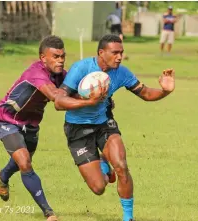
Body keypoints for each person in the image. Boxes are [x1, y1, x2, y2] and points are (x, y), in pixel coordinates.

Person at [54, 34, 175, 221]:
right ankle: (104, 165)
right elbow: (59, 102)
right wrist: (89, 102)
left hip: (104, 124)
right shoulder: (81, 68)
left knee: (121, 166)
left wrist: (165, 91)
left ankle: (128, 217)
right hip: (77, 129)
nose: (119, 57)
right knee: (99, 188)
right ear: (101, 53)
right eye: (115, 53)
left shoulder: (121, 73)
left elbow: (145, 93)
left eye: (121, 53)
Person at [0, 35, 68, 221]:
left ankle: (3, 175)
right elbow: (55, 96)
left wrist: (97, 96)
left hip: (31, 125)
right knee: (25, 163)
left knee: (22, 161)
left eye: (62, 56)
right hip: (6, 120)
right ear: (43, 58)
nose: (60, 61)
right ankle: (48, 212)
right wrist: (88, 99)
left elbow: (76, 87)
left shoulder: (61, 75)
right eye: (55, 57)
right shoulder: (36, 72)